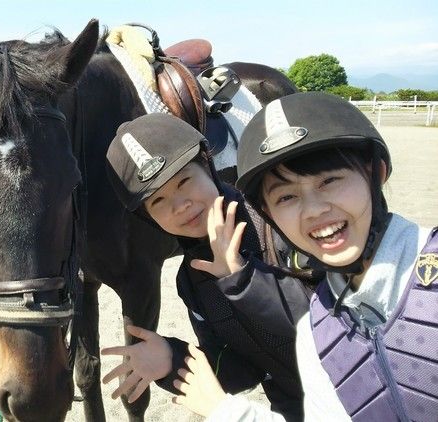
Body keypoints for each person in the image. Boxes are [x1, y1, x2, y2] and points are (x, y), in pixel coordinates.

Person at [173, 92, 437, 421]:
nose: (314, 210)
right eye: (286, 197)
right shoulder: (317, 335)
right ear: (267, 213)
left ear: (376, 173)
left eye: (329, 180)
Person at [100, 112, 316, 421]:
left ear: (208, 165)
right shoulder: (192, 279)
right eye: (158, 202)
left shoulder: (278, 222)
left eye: (184, 181)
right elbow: (240, 373)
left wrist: (242, 278)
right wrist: (171, 359)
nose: (180, 205)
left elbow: (333, 331)